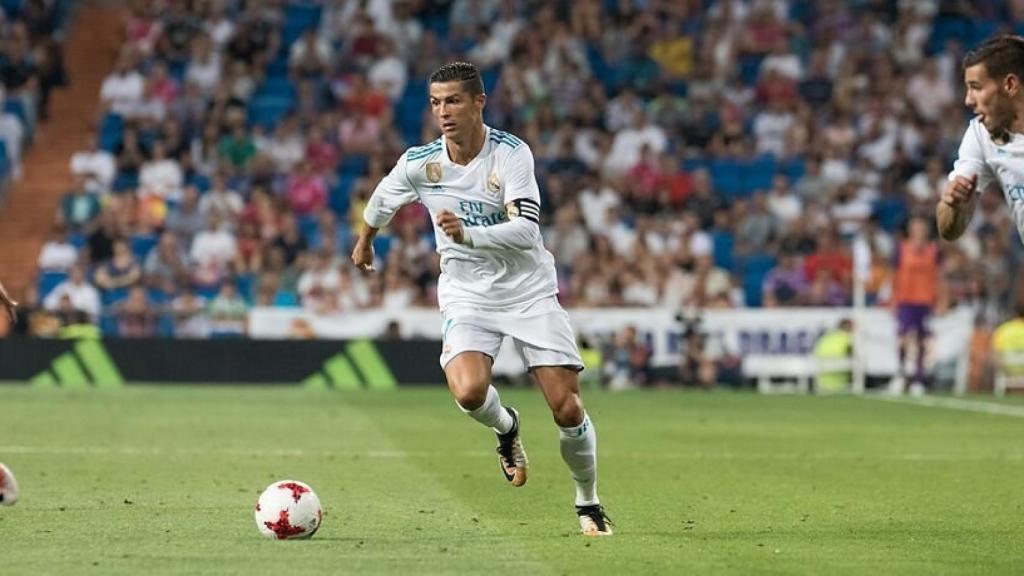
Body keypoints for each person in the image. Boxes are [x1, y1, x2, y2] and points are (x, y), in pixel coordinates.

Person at [351, 62, 612, 536]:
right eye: (435, 102)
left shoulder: (511, 154)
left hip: (528, 290)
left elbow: (526, 229)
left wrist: (467, 235)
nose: (443, 112)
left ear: (478, 102)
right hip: (468, 292)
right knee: (469, 392)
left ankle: (587, 502)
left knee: (566, 408)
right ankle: (506, 427)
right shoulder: (420, 162)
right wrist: (366, 239)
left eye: (453, 100)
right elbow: (382, 200)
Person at [939, 36, 1024, 244]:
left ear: (1010, 85)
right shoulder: (981, 134)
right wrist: (953, 206)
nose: (968, 100)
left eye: (976, 87)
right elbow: (948, 230)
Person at [890, 217, 940, 395]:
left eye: (921, 227)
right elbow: (894, 275)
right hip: (905, 299)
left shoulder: (933, 250)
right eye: (915, 227)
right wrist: (892, 300)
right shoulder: (901, 249)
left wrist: (940, 299)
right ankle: (901, 374)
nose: (918, 231)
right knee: (903, 338)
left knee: (922, 341)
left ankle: (919, 378)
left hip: (925, 300)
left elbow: (938, 276)